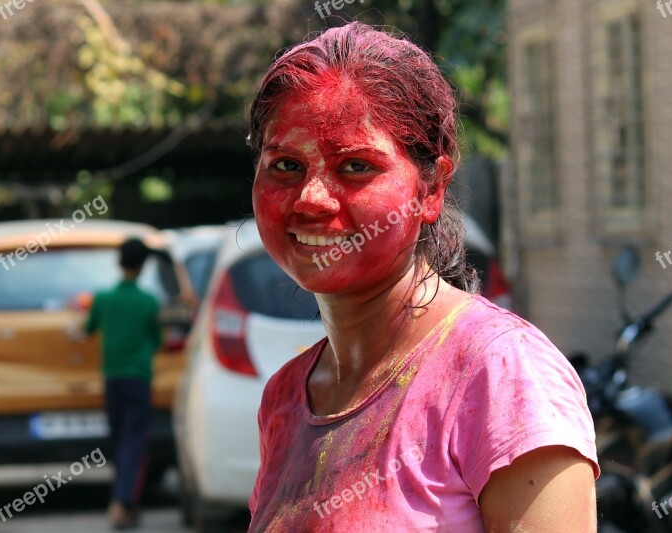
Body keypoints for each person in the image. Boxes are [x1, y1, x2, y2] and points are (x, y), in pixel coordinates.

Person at [246, 22, 599, 531]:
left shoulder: (501, 373)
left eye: (355, 167)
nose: (311, 199)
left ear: (431, 188)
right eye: (285, 165)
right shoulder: (285, 397)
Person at [85, 238, 161, 529]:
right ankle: (122, 502)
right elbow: (157, 341)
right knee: (133, 441)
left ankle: (123, 499)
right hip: (139, 378)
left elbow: (88, 328)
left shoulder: (103, 299)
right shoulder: (148, 301)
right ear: (142, 266)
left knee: (118, 439)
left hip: (111, 378)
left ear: (119, 261)